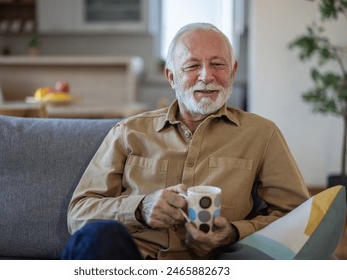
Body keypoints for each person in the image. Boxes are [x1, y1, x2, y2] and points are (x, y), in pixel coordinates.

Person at [62, 22, 310, 260]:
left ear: (233, 71)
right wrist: (140, 208)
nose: (206, 76)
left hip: (214, 265)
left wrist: (234, 232)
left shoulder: (262, 134)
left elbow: (298, 217)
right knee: (98, 237)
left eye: (218, 64)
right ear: (171, 77)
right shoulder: (128, 132)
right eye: (192, 66)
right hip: (133, 261)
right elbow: (79, 214)